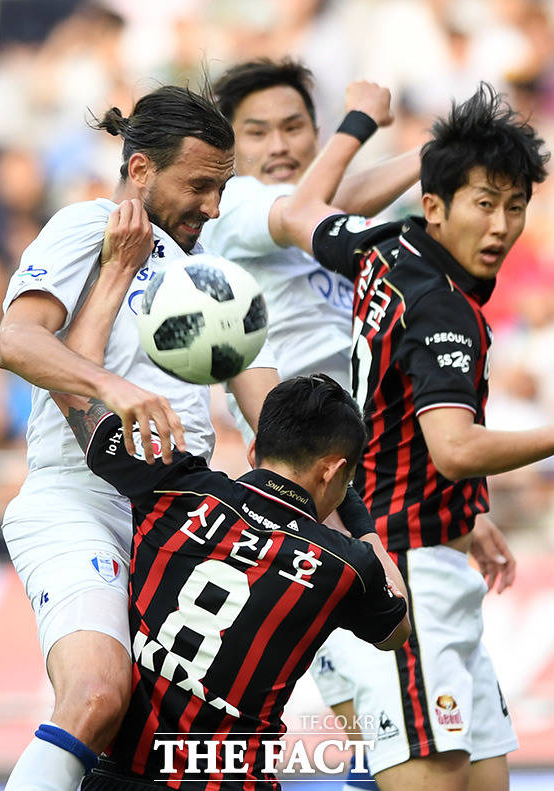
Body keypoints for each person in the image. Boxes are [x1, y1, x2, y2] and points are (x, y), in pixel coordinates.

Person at [42, 242, 411, 789]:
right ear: (334, 472)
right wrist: (357, 519)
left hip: (124, 776)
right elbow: (397, 627)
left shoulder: (178, 486)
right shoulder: (345, 566)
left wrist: (117, 272)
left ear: (258, 449)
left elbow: (69, 391)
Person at [0, 85, 279, 791]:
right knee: (94, 694)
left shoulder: (207, 273)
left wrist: (351, 522)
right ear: (143, 170)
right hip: (79, 502)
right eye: (200, 185)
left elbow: (268, 413)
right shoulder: (86, 225)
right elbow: (16, 339)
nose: (212, 206)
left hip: (175, 527)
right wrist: (112, 388)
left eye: (223, 188)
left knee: (165, 748)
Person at [274, 82, 549, 789]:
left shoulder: (387, 246)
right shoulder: (446, 311)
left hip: (426, 553)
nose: (502, 226)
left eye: (515, 206)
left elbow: (304, 211)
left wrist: (464, 516)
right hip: (402, 573)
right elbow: (453, 448)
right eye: (484, 203)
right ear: (436, 206)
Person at [202, 59, 420, 402]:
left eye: (292, 128)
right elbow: (301, 211)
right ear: (230, 149)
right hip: (301, 429)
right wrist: (360, 120)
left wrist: (435, 152)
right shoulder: (231, 203)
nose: (278, 146)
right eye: (257, 133)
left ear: (318, 136)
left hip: (370, 424)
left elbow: (326, 204)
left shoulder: (333, 213)